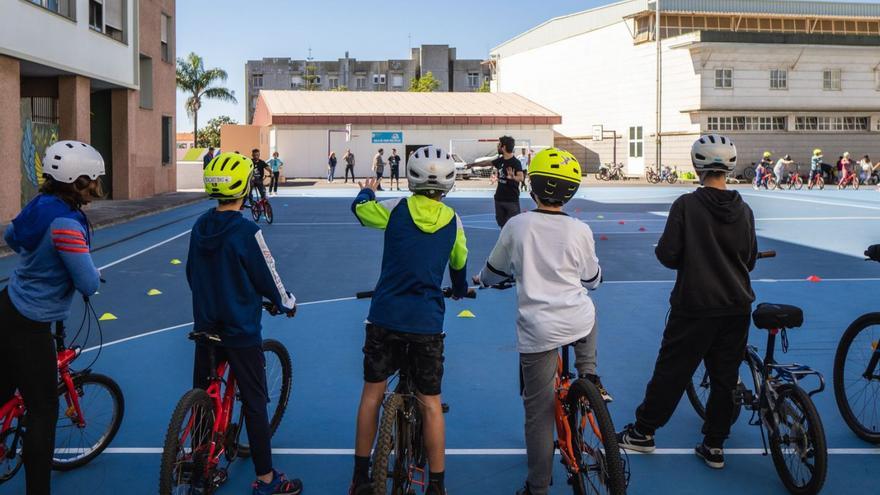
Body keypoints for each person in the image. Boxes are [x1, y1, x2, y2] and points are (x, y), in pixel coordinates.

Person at [617, 134, 757, 471]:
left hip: (695, 305)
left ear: (697, 165)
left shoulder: (687, 205)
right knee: (725, 377)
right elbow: (749, 259)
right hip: (737, 305)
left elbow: (668, 254)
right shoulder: (744, 208)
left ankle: (644, 432)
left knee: (673, 371)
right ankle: (714, 445)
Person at [474, 148, 609, 495]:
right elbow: (592, 279)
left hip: (539, 329)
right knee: (587, 313)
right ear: (571, 190)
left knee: (538, 413)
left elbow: (493, 271)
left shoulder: (518, 225)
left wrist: (481, 280)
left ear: (531, 186)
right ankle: (590, 377)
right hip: (576, 319)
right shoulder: (580, 230)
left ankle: (537, 487)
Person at [348, 146, 469, 495]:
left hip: (385, 315)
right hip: (426, 321)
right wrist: (459, 289)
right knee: (430, 401)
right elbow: (458, 266)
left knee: (372, 394)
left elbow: (360, 211)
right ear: (448, 184)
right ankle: (436, 484)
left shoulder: (395, 208)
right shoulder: (454, 221)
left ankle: (360, 477)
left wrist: (366, 190)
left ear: (411, 179)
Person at [191, 152, 302, 495]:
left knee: (202, 398)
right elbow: (267, 274)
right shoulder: (246, 230)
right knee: (255, 402)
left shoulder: (200, 225)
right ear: (244, 187)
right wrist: (285, 302)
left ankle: (198, 468)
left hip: (206, 325)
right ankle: (267, 479)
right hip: (239, 328)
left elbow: (192, 273)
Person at [1, 140, 104, 495]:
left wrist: (38, 262)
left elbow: (12, 236)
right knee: (43, 410)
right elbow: (87, 281)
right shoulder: (67, 224)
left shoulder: (39, 205)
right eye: (93, 180)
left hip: (8, 304)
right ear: (76, 182)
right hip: (32, 321)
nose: (97, 187)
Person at [492, 136, 524, 227]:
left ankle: (512, 241)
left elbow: (521, 177)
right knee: (502, 225)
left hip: (511, 201)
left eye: (499, 144)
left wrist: (513, 177)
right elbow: (485, 163)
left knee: (513, 226)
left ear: (504, 147)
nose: (498, 146)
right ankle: (505, 241)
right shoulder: (499, 161)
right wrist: (472, 164)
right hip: (499, 199)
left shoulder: (515, 162)